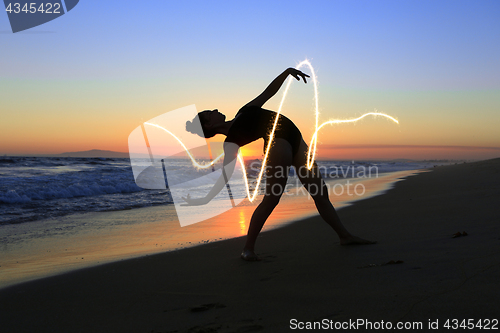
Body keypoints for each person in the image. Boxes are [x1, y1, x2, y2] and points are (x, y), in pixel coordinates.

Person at [183, 67, 375, 261]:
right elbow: (225, 174)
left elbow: (268, 92)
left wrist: (286, 73)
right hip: (278, 143)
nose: (215, 110)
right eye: (210, 113)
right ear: (209, 125)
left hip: (296, 139)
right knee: (272, 199)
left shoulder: (244, 110)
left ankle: (345, 236)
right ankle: (247, 249)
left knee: (320, 192)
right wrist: (205, 199)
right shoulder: (230, 142)